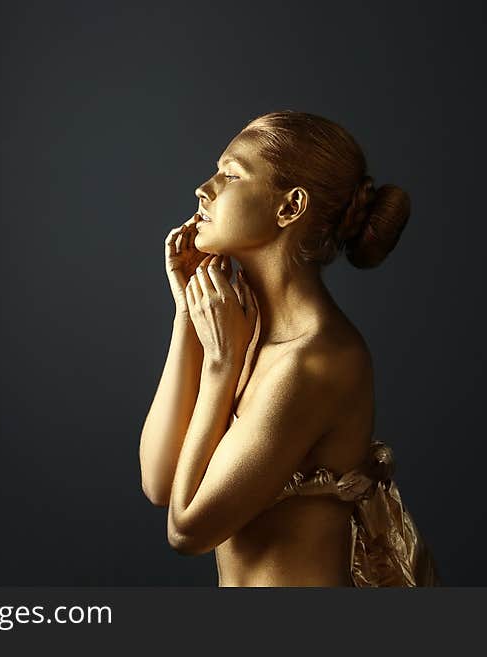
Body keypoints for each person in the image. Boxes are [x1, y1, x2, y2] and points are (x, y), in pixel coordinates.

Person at [139, 110, 440, 587]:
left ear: (289, 207)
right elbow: (159, 482)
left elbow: (186, 529)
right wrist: (187, 315)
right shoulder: (242, 329)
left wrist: (220, 368)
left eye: (231, 174)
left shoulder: (317, 359)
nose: (205, 187)